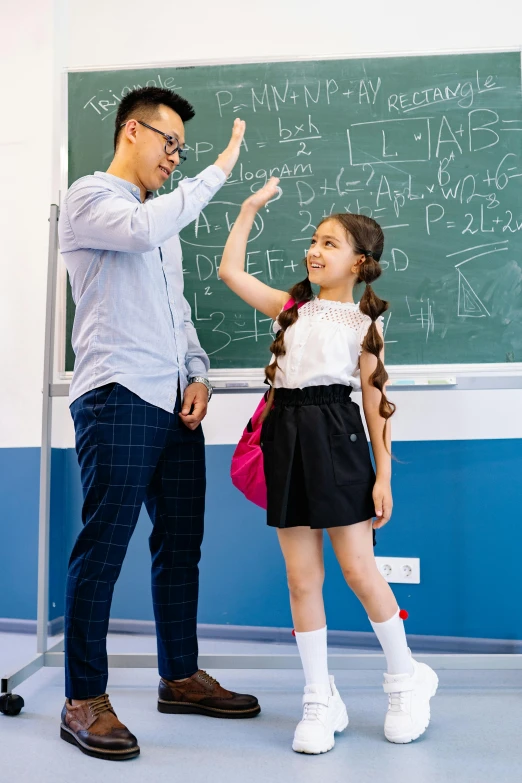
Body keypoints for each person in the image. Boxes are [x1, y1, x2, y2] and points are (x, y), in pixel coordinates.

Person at [58, 90, 259, 761]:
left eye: (185, 149)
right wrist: (221, 168)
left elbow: (176, 315)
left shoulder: (159, 224)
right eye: (169, 143)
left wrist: (199, 373)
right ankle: (83, 697)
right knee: (104, 546)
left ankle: (179, 673)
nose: (177, 157)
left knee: (182, 544)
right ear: (131, 131)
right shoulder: (91, 198)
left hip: (173, 403)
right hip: (116, 394)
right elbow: (142, 232)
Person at [219, 176, 438, 754]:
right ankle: (320, 697)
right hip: (285, 440)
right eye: (313, 240)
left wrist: (384, 475)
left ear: (360, 262)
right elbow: (230, 274)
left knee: (361, 572)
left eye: (330, 243)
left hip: (337, 441)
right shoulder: (292, 308)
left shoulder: (365, 327)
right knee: (300, 578)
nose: (315, 250)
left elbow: (374, 406)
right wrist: (247, 209)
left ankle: (405, 680)